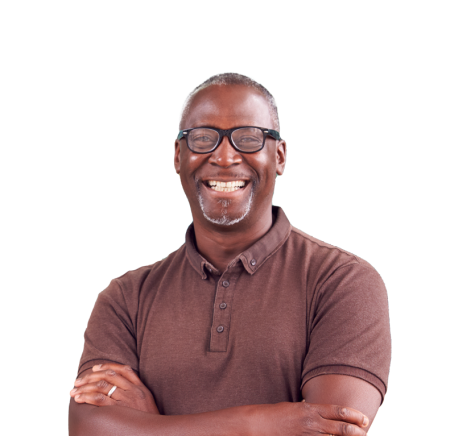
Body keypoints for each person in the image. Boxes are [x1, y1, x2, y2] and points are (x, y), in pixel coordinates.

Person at [68, 72, 391, 436]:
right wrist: (261, 423)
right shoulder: (125, 299)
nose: (224, 157)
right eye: (203, 138)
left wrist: (149, 427)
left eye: (249, 138)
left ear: (280, 156)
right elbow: (87, 428)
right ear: (178, 156)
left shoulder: (343, 282)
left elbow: (332, 432)